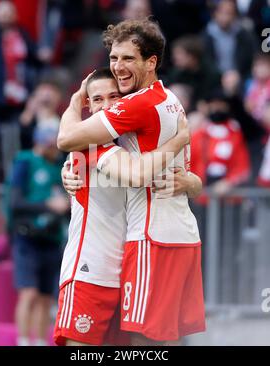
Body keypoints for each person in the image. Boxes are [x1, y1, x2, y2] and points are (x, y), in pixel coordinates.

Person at [57, 18, 205, 345]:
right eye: (113, 58)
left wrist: (190, 181)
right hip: (96, 268)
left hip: (149, 242)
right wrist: (179, 148)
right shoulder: (168, 102)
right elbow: (69, 142)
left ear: (151, 62)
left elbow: (68, 139)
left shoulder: (136, 108)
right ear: (87, 106)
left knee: (147, 343)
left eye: (127, 59)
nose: (119, 66)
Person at [9, 125, 69, 346]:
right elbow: (15, 203)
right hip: (28, 237)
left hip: (52, 238)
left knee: (45, 297)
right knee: (29, 293)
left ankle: (40, 342)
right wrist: (48, 206)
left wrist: (65, 206)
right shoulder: (25, 161)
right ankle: (24, 340)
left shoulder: (59, 167)